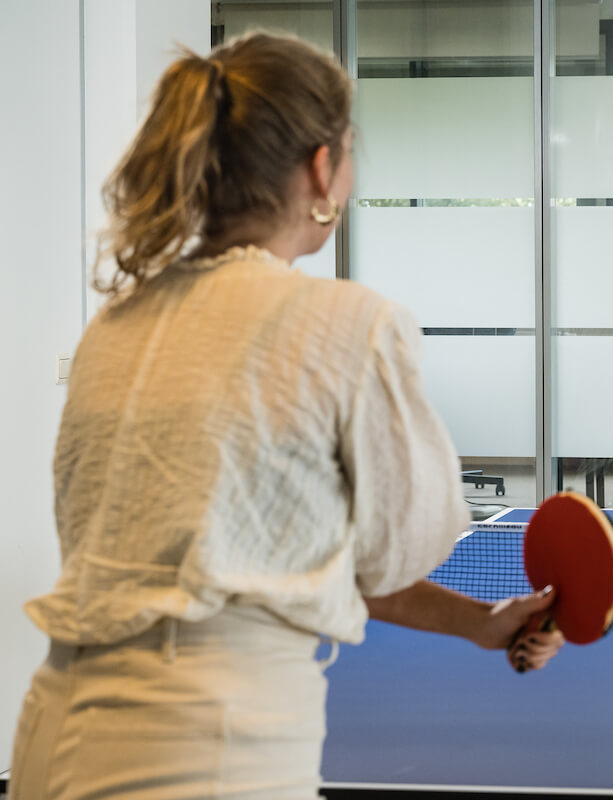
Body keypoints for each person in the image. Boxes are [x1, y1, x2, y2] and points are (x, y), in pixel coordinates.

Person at [10, 32, 563, 799]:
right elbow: (409, 543)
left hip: (51, 739)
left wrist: (478, 622)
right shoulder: (350, 323)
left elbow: (258, 559)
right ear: (321, 168)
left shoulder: (117, 324)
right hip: (210, 751)